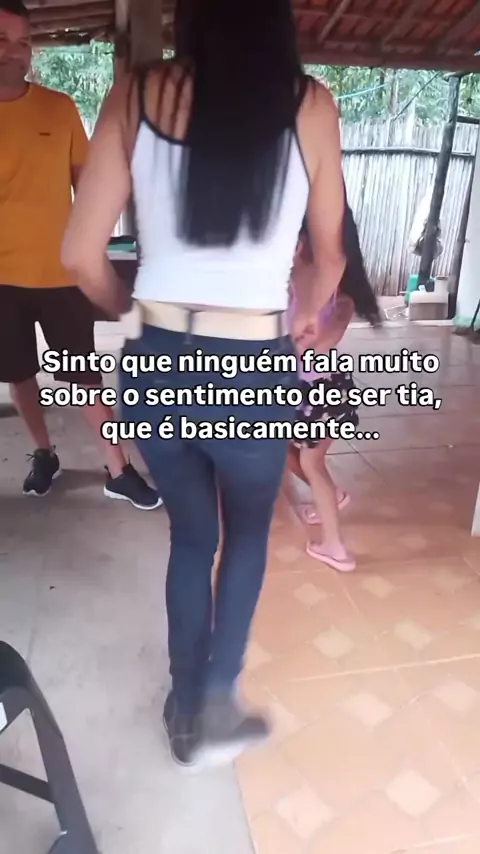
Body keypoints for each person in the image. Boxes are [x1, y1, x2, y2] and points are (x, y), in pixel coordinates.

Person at [61, 0, 346, 768]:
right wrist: (306, 314)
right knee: (247, 531)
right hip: (252, 359)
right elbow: (329, 254)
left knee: (191, 536)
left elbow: (81, 256)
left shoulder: (137, 93)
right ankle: (216, 700)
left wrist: (136, 313)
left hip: (157, 355)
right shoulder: (311, 105)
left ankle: (186, 705)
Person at [0, 0, 161, 508]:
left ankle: (118, 469)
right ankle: (43, 453)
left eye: (23, 42)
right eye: (2, 40)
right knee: (19, 374)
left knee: (83, 378)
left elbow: (89, 187)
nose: (14, 52)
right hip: (1, 282)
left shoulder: (59, 108)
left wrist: (95, 252)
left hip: (60, 274)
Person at [287, 208, 381, 571]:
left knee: (311, 464)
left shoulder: (297, 281)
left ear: (300, 242)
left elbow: (318, 340)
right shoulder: (337, 288)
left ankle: (334, 546)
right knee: (300, 457)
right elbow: (330, 334)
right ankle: (333, 499)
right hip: (330, 388)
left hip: (312, 390)